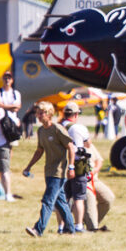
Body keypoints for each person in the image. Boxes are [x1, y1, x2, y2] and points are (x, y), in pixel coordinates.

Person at [23, 101, 78, 237]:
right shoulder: (41, 131)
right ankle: (71, 229)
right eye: (37, 113)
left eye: (41, 113)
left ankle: (38, 229)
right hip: (48, 171)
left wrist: (71, 167)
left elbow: (71, 147)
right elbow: (39, 150)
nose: (38, 116)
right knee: (60, 202)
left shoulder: (58, 129)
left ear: (49, 114)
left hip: (59, 171)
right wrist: (29, 166)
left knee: (48, 200)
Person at [60, 101, 91, 233]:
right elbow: (88, 144)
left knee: (62, 198)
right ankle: (78, 225)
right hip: (77, 165)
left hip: (60, 164)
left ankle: (61, 226)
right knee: (79, 197)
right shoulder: (79, 128)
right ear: (76, 114)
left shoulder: (58, 127)